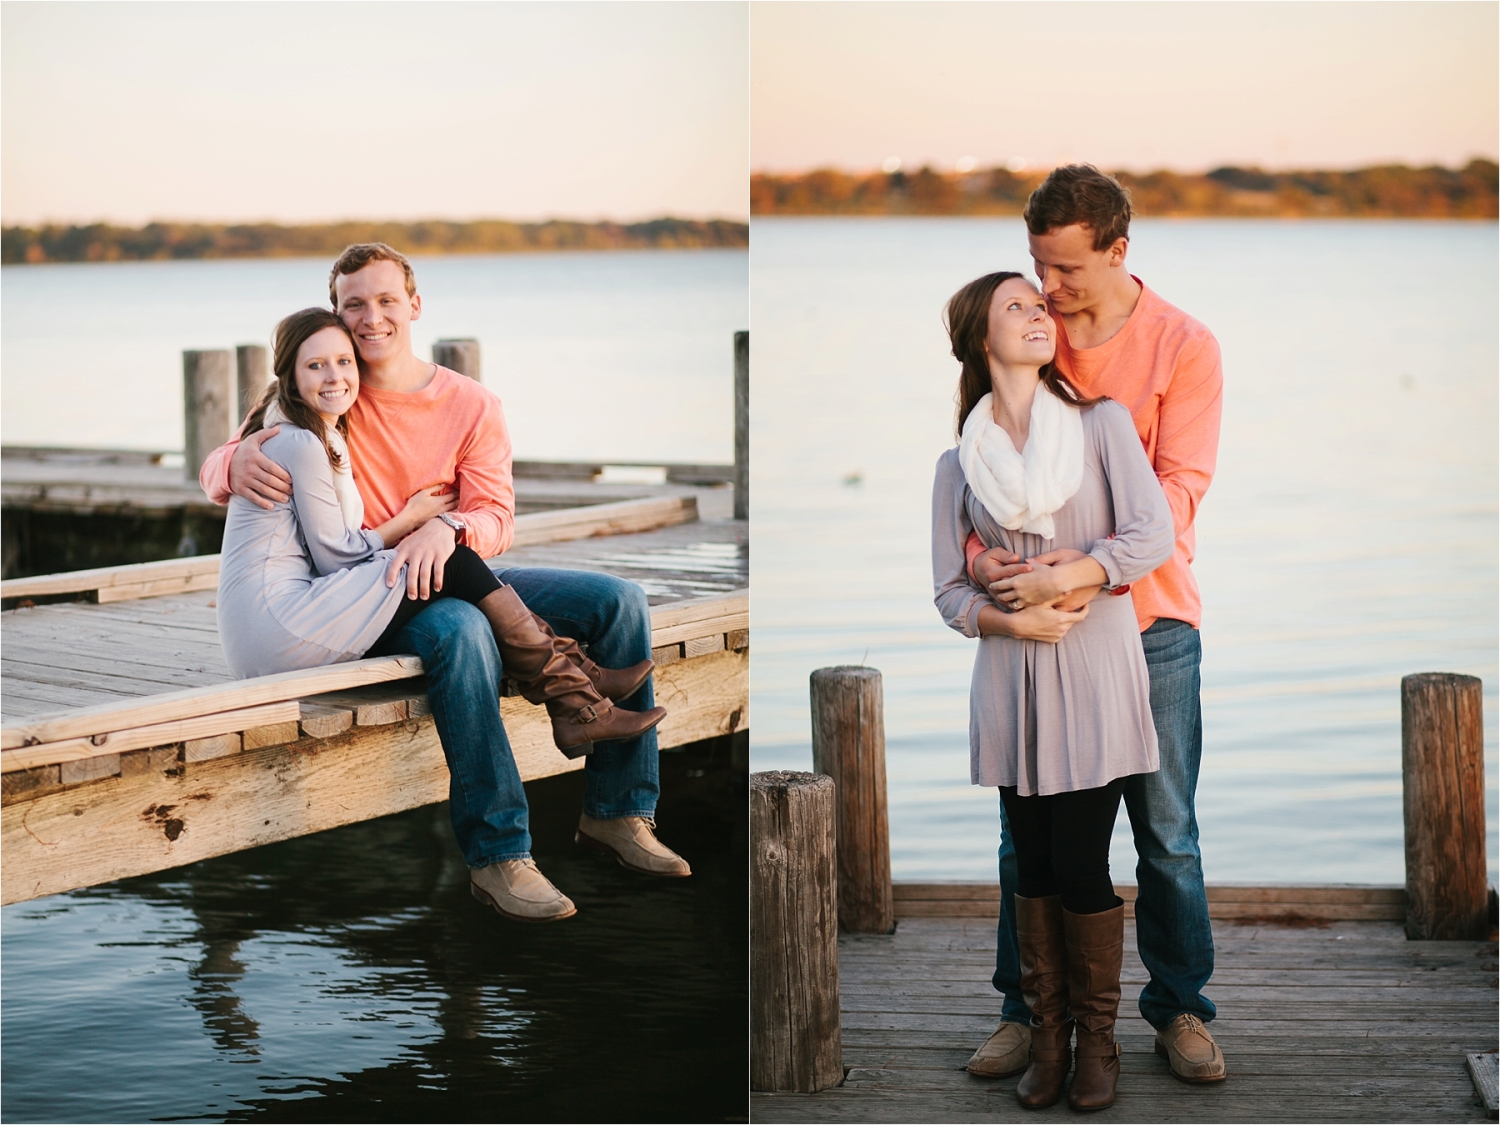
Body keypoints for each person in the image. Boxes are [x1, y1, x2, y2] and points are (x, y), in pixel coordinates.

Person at [201, 244, 691, 925]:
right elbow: (234, 456)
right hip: (361, 590)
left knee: (619, 602)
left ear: (414, 305)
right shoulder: (328, 386)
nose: (371, 318)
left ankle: (620, 810)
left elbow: (496, 516)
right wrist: (229, 464)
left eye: (386, 301)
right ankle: (501, 854)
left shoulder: (469, 403)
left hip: (447, 563)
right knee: (462, 629)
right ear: (337, 312)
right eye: (354, 304)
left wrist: (447, 528)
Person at [963, 165, 1227, 1085]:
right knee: (1025, 837)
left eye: (1068, 268)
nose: (1050, 286)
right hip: (1038, 633)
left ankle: (1180, 1008)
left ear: (1119, 250)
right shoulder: (1031, 334)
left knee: (1167, 832)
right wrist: (983, 566)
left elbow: (1178, 494)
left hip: (1152, 626)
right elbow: (981, 472)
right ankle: (1026, 1009)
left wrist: (1084, 573)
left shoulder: (1183, 346)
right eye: (1038, 264)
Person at [217, 306, 667, 773]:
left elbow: (494, 515)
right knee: (451, 560)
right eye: (316, 365)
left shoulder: (301, 429)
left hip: (268, 626)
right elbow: (336, 557)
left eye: (344, 361)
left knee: (457, 557)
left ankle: (577, 690)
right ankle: (574, 693)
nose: (334, 376)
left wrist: (437, 529)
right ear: (290, 376)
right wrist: (412, 520)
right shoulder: (299, 442)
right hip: (279, 627)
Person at [933, 270, 1175, 1110]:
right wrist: (1012, 622)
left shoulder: (1101, 425)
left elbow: (1151, 534)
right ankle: (1047, 1037)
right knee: (1030, 865)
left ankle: (1098, 1043)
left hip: (1096, 671)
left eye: (1040, 306)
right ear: (980, 337)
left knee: (1080, 861)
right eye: (1017, 307)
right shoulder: (957, 464)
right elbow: (949, 593)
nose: (1039, 314)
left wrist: (1068, 575)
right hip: (1011, 683)